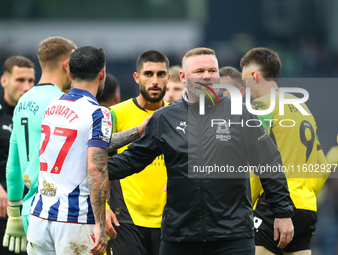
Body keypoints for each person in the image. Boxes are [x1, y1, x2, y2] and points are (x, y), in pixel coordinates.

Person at [107, 47, 294, 255]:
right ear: (182, 76)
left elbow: (269, 162)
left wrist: (283, 213)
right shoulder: (165, 118)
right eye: (199, 71)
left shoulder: (241, 114)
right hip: (179, 237)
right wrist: (91, 168)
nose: (207, 76)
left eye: (212, 70)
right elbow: (132, 160)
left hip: (233, 238)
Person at [240, 47, 329, 255]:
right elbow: (322, 165)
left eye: (244, 81)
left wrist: (248, 203)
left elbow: (256, 163)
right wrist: (305, 194)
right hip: (306, 208)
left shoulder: (261, 107)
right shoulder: (302, 107)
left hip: (273, 206)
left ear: (254, 76)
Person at [26, 46, 111, 255]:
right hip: (75, 220)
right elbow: (95, 170)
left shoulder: (52, 104)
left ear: (70, 73)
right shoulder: (98, 113)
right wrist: (100, 224)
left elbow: (82, 143)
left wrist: (137, 131)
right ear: (102, 73)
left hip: (40, 216)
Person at [2, 37, 76, 254]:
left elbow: (13, 166)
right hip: (57, 212)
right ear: (67, 65)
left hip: (28, 209)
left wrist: (14, 213)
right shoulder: (62, 103)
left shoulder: (22, 102)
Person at [107, 50, 170, 255]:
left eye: (160, 74)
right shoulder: (116, 113)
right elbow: (98, 165)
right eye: (148, 74)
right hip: (125, 218)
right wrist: (103, 209)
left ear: (168, 77)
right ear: (137, 77)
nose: (155, 81)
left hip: (168, 221)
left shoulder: (177, 116)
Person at [0, 56, 35, 254]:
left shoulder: (38, 114)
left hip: (31, 209)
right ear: (4, 81)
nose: (27, 87)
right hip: (1, 207)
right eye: (20, 80)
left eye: (30, 81)